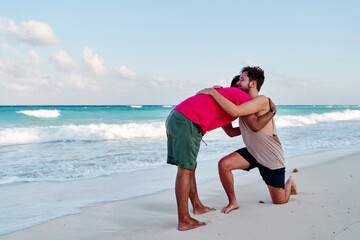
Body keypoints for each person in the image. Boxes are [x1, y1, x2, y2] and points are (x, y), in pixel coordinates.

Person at [166, 77, 276, 231]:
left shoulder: (225, 98)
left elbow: (231, 132)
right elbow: (254, 125)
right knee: (185, 169)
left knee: (190, 165)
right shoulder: (241, 95)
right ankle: (183, 220)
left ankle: (197, 206)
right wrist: (271, 112)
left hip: (179, 117)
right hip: (187, 120)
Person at [197, 66, 298, 214]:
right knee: (224, 165)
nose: (238, 82)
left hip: (270, 157)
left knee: (280, 201)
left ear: (253, 83)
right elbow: (231, 132)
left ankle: (290, 182)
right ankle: (233, 202)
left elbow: (250, 123)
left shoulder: (262, 100)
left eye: (242, 79)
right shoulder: (243, 105)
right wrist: (220, 106)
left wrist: (214, 93)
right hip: (252, 152)